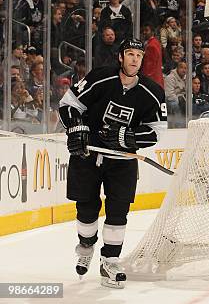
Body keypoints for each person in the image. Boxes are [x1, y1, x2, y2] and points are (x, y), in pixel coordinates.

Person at [58, 38, 166, 289]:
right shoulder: (100, 78)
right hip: (88, 156)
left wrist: (126, 137)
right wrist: (76, 128)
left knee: (118, 212)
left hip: (122, 161)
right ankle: (86, 246)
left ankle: (110, 260)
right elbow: (68, 105)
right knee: (86, 208)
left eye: (139, 55)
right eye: (130, 54)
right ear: (121, 57)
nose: (134, 59)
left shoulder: (152, 92)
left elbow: (156, 131)